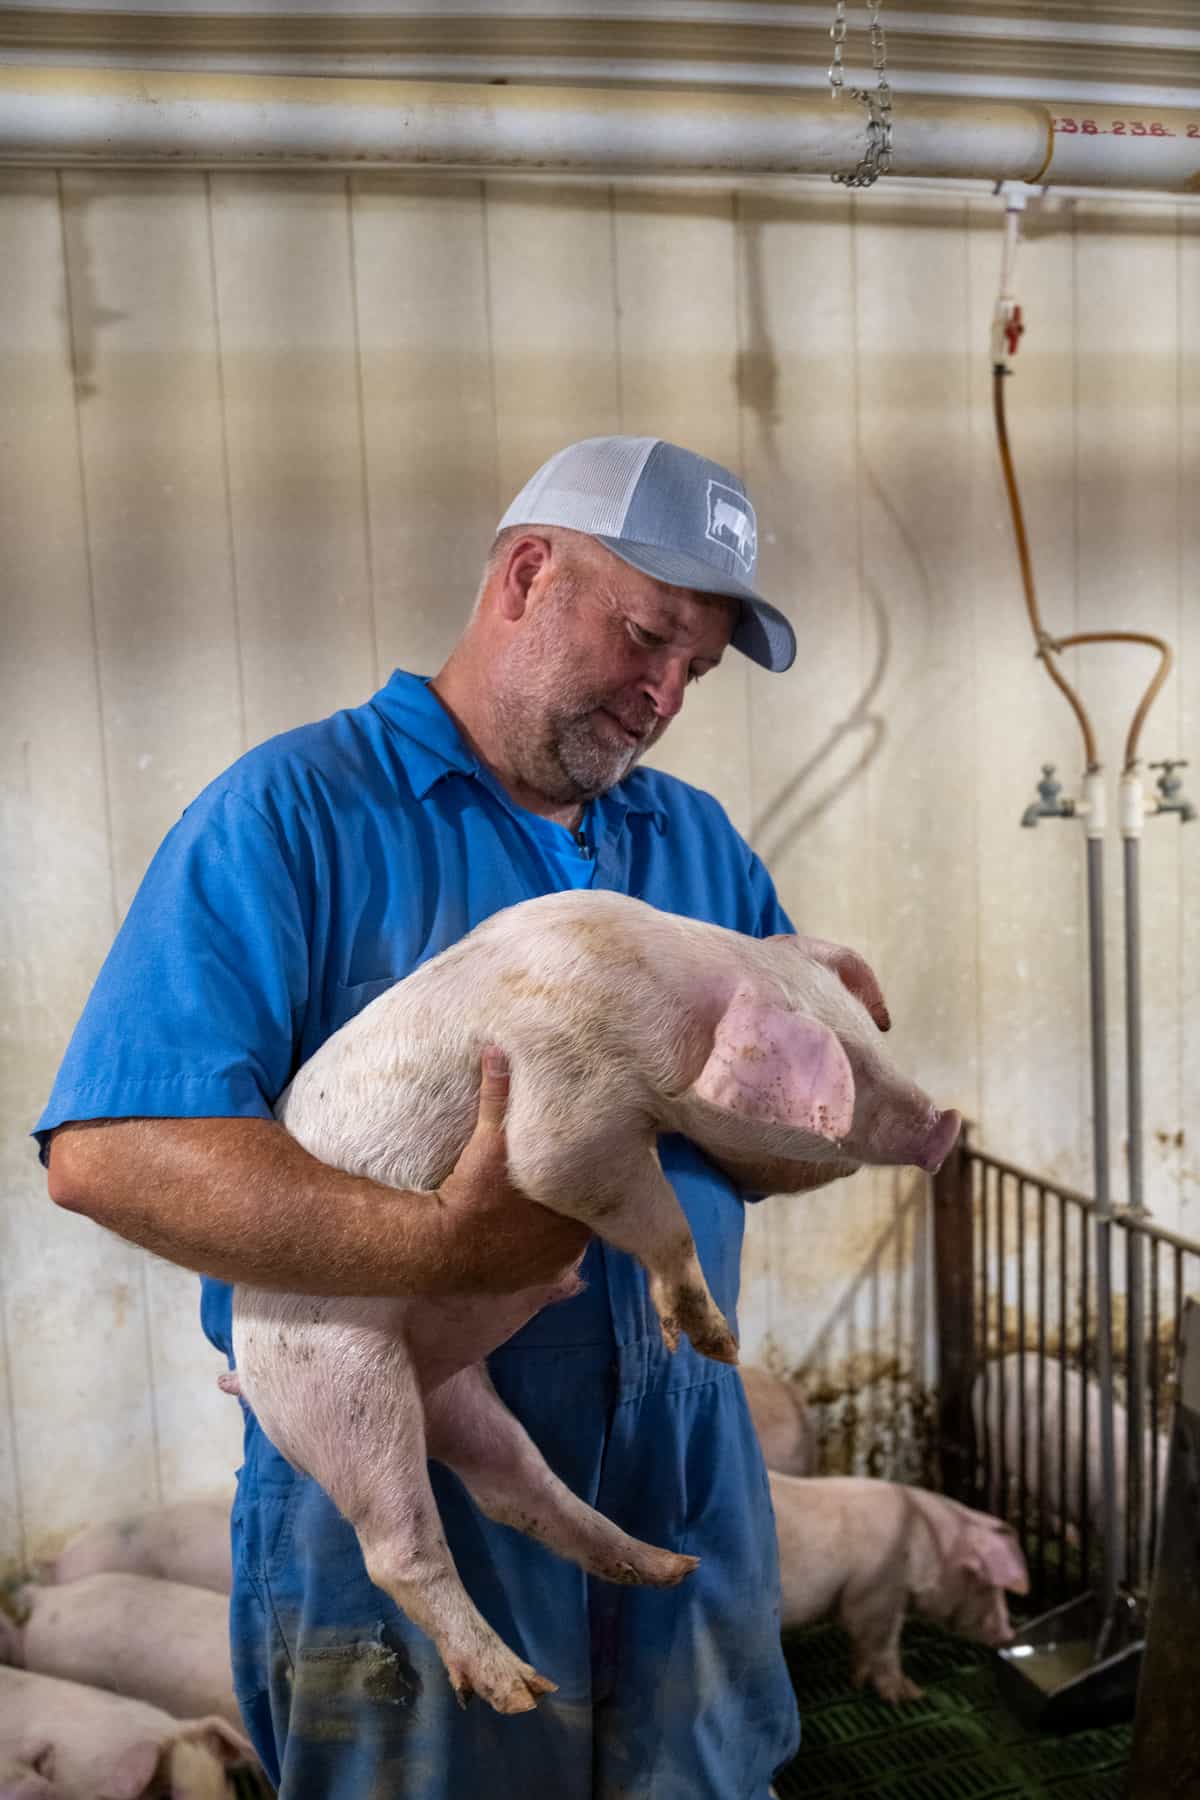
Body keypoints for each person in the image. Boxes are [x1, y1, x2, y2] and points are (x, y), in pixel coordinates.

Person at [38, 435, 888, 1799]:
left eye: (698, 669)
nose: (666, 692)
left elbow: (781, 1145)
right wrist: (441, 1246)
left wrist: (825, 1104)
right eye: (646, 635)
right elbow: (112, 1154)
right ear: (528, 572)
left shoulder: (698, 847)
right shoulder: (296, 815)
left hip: (687, 1473)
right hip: (412, 1480)